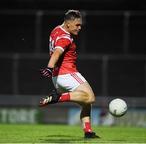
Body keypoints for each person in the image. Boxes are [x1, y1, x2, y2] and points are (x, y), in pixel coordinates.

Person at [39, 9, 100, 139]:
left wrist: (51, 70)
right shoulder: (65, 38)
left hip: (57, 78)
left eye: (80, 25)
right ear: (68, 24)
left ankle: (88, 131)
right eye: (77, 25)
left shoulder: (56, 30)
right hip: (67, 73)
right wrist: (49, 67)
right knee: (90, 97)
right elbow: (57, 52)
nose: (80, 27)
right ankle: (58, 97)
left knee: (85, 103)